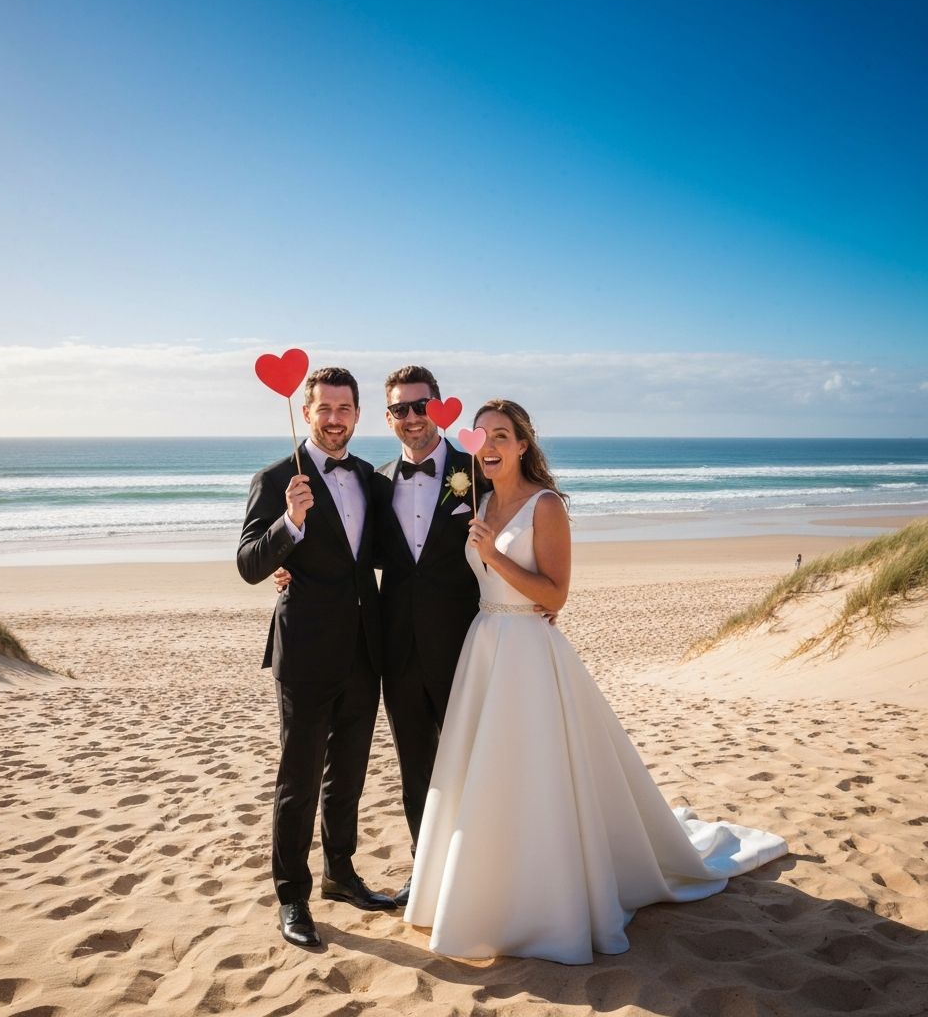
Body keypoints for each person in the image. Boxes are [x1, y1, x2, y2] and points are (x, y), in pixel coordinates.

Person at [404, 399, 788, 965]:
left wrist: (495, 557)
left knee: (538, 771)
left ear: (523, 445)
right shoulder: (477, 499)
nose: (490, 445)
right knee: (486, 772)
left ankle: (549, 896)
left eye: (502, 435)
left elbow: (555, 594)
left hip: (529, 651)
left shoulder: (546, 505)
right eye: (482, 435)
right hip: (483, 646)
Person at [237, 366, 394, 951]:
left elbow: (392, 549)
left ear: (357, 415)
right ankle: (292, 896)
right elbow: (250, 564)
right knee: (297, 780)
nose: (334, 419)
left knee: (348, 774)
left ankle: (341, 874)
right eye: (324, 408)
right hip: (305, 653)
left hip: (364, 650)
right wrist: (291, 523)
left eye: (344, 408)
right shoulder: (276, 477)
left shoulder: (369, 478)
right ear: (306, 413)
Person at [372, 365, 482, 906]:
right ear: (388, 416)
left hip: (467, 644)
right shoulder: (375, 481)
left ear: (437, 407)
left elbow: (522, 523)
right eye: (401, 409)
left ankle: (483, 868)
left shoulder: (476, 471)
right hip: (398, 647)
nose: (412, 417)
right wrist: (288, 566)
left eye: (421, 406)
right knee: (415, 765)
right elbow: (345, 542)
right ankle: (425, 869)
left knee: (475, 760)